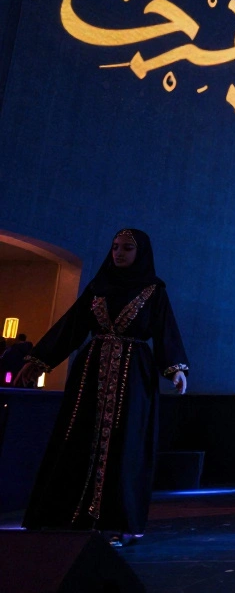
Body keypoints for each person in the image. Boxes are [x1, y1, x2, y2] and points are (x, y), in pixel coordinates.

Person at [16, 229, 188, 547]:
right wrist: (40, 359)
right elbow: (72, 326)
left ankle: (117, 522)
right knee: (79, 436)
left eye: (127, 248)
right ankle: (68, 516)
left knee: (125, 443)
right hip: (91, 373)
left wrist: (175, 368)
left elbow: (166, 330)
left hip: (133, 375)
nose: (119, 253)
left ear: (141, 253)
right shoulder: (98, 287)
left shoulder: (153, 290)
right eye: (115, 248)